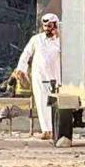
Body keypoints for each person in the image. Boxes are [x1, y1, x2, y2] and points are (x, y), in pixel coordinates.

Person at [16, 13, 62, 141]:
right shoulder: (36, 39)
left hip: (55, 77)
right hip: (39, 76)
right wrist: (21, 69)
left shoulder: (61, 41)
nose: (47, 29)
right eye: (45, 26)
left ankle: (55, 130)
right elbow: (26, 54)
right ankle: (46, 130)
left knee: (55, 104)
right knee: (42, 103)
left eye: (50, 26)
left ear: (55, 26)